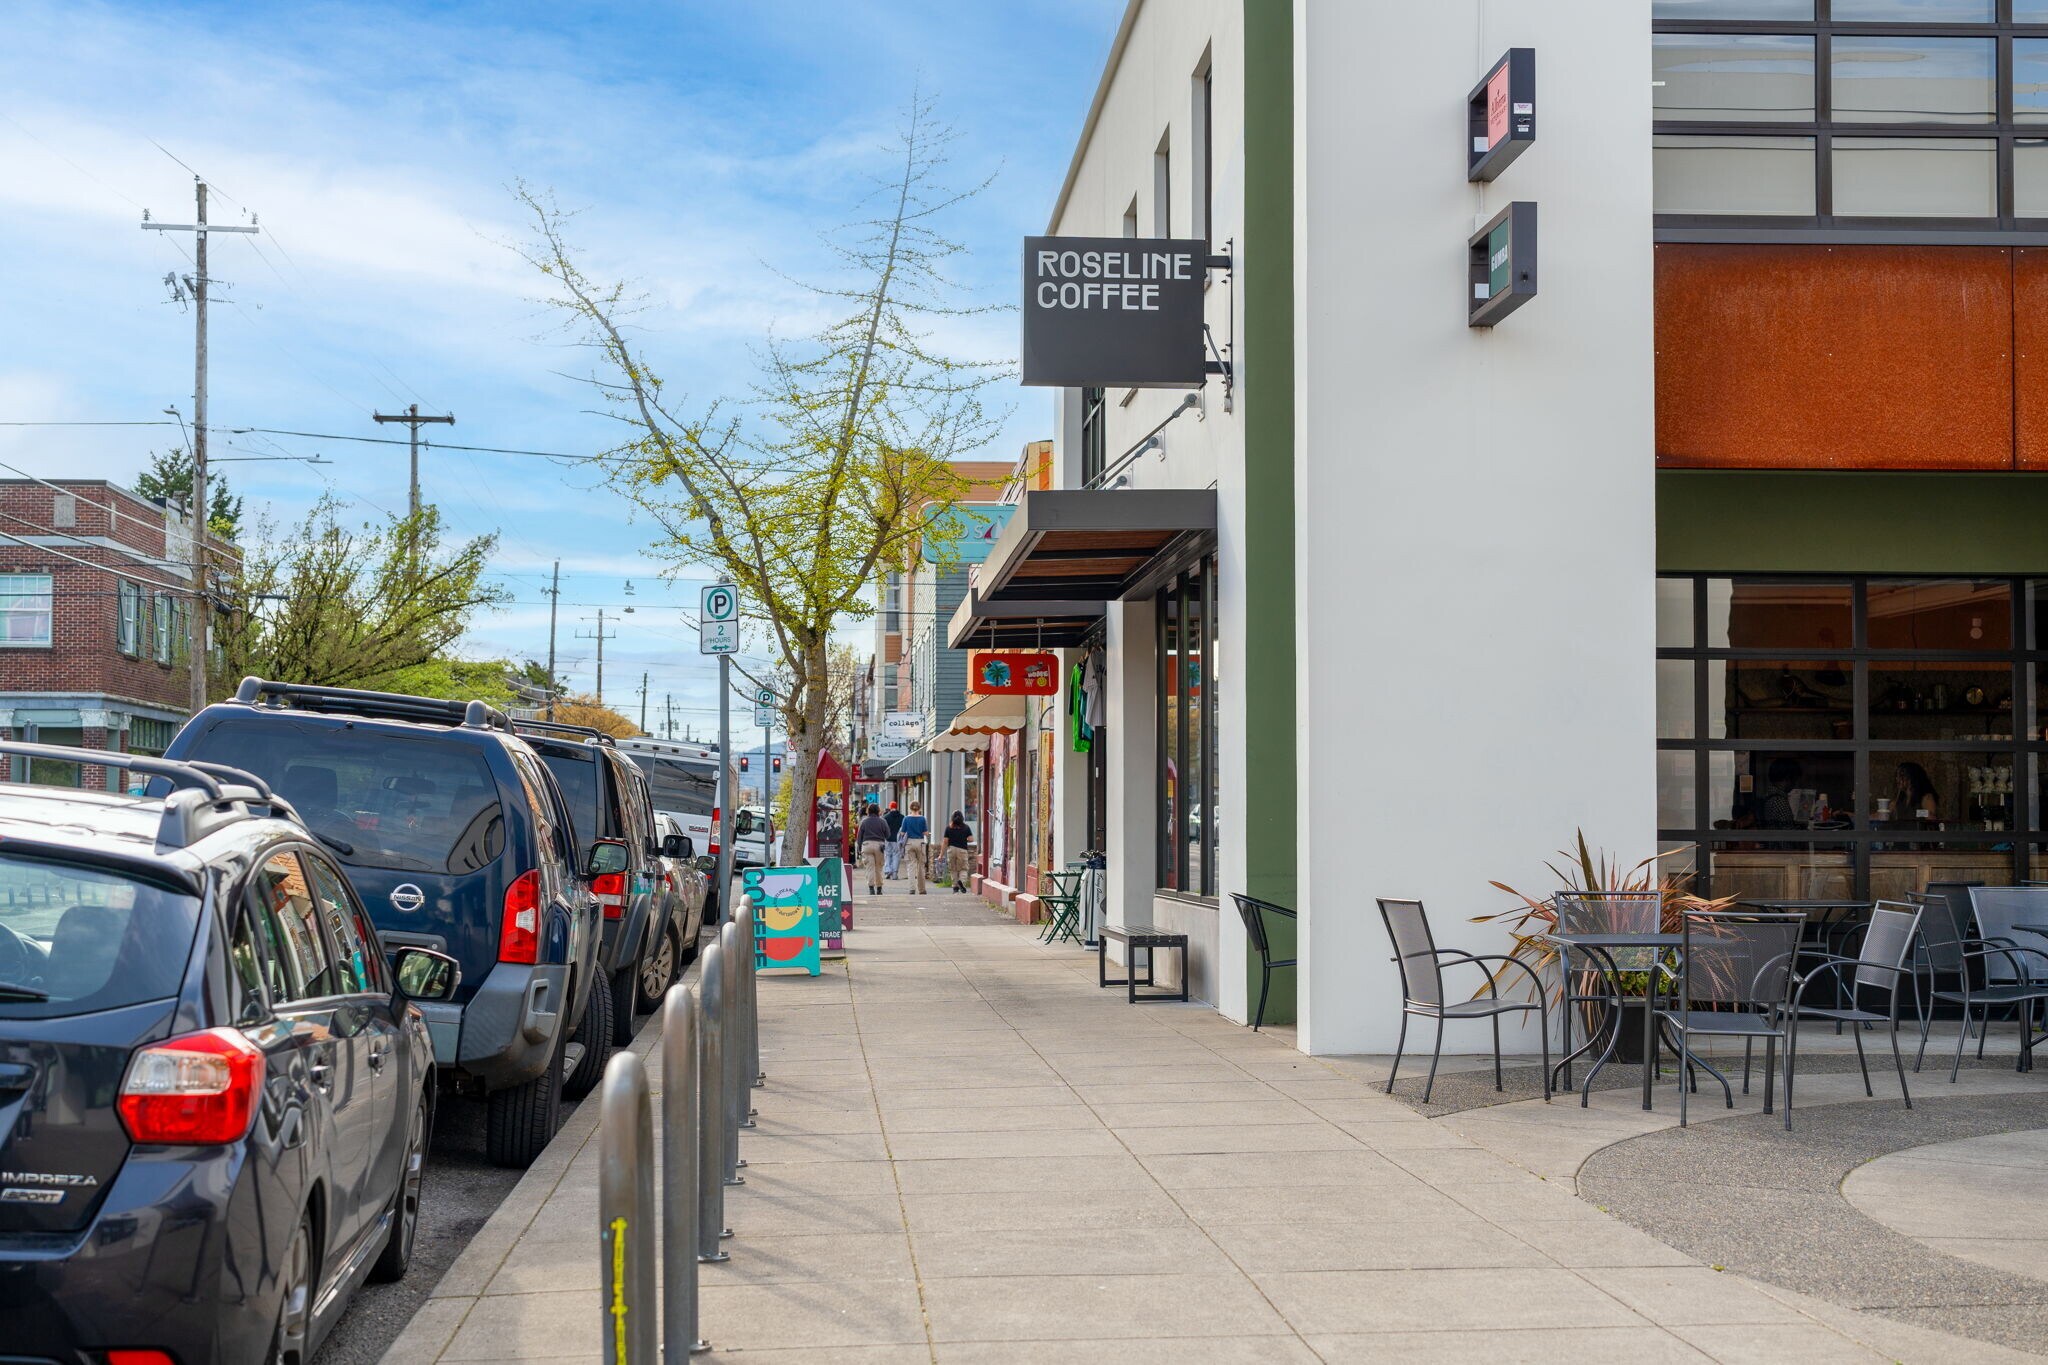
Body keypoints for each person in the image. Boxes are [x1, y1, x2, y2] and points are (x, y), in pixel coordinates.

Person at [856, 802, 892, 895]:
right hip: (879, 846)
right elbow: (888, 835)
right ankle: (879, 888)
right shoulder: (882, 821)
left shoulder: (864, 821)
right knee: (878, 868)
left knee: (870, 867)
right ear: (878, 811)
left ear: (868, 811)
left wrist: (859, 849)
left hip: (866, 845)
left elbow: (859, 837)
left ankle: (871, 888)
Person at [1756, 757, 1801, 829]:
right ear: (1788, 778)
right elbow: (1789, 834)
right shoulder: (1779, 801)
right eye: (1795, 779)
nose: (1795, 784)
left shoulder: (1769, 796)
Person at [899, 802, 930, 894]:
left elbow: (902, 833)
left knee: (911, 866)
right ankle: (922, 889)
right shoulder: (922, 819)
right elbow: (925, 832)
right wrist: (927, 834)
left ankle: (912, 889)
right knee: (921, 866)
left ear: (910, 808)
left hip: (909, 843)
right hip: (920, 843)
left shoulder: (906, 819)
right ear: (919, 808)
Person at [943, 810, 973, 893]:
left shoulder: (949, 828)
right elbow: (971, 839)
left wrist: (941, 855)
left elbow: (945, 842)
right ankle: (961, 882)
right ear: (962, 818)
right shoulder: (966, 827)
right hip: (962, 850)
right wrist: (964, 839)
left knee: (953, 869)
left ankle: (955, 887)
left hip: (951, 850)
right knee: (963, 868)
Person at [883, 801, 905, 879]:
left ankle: (888, 871)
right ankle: (895, 873)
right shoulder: (902, 817)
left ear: (890, 807)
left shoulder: (885, 817)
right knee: (896, 855)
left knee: (888, 855)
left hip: (888, 839)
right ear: (897, 807)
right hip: (897, 839)